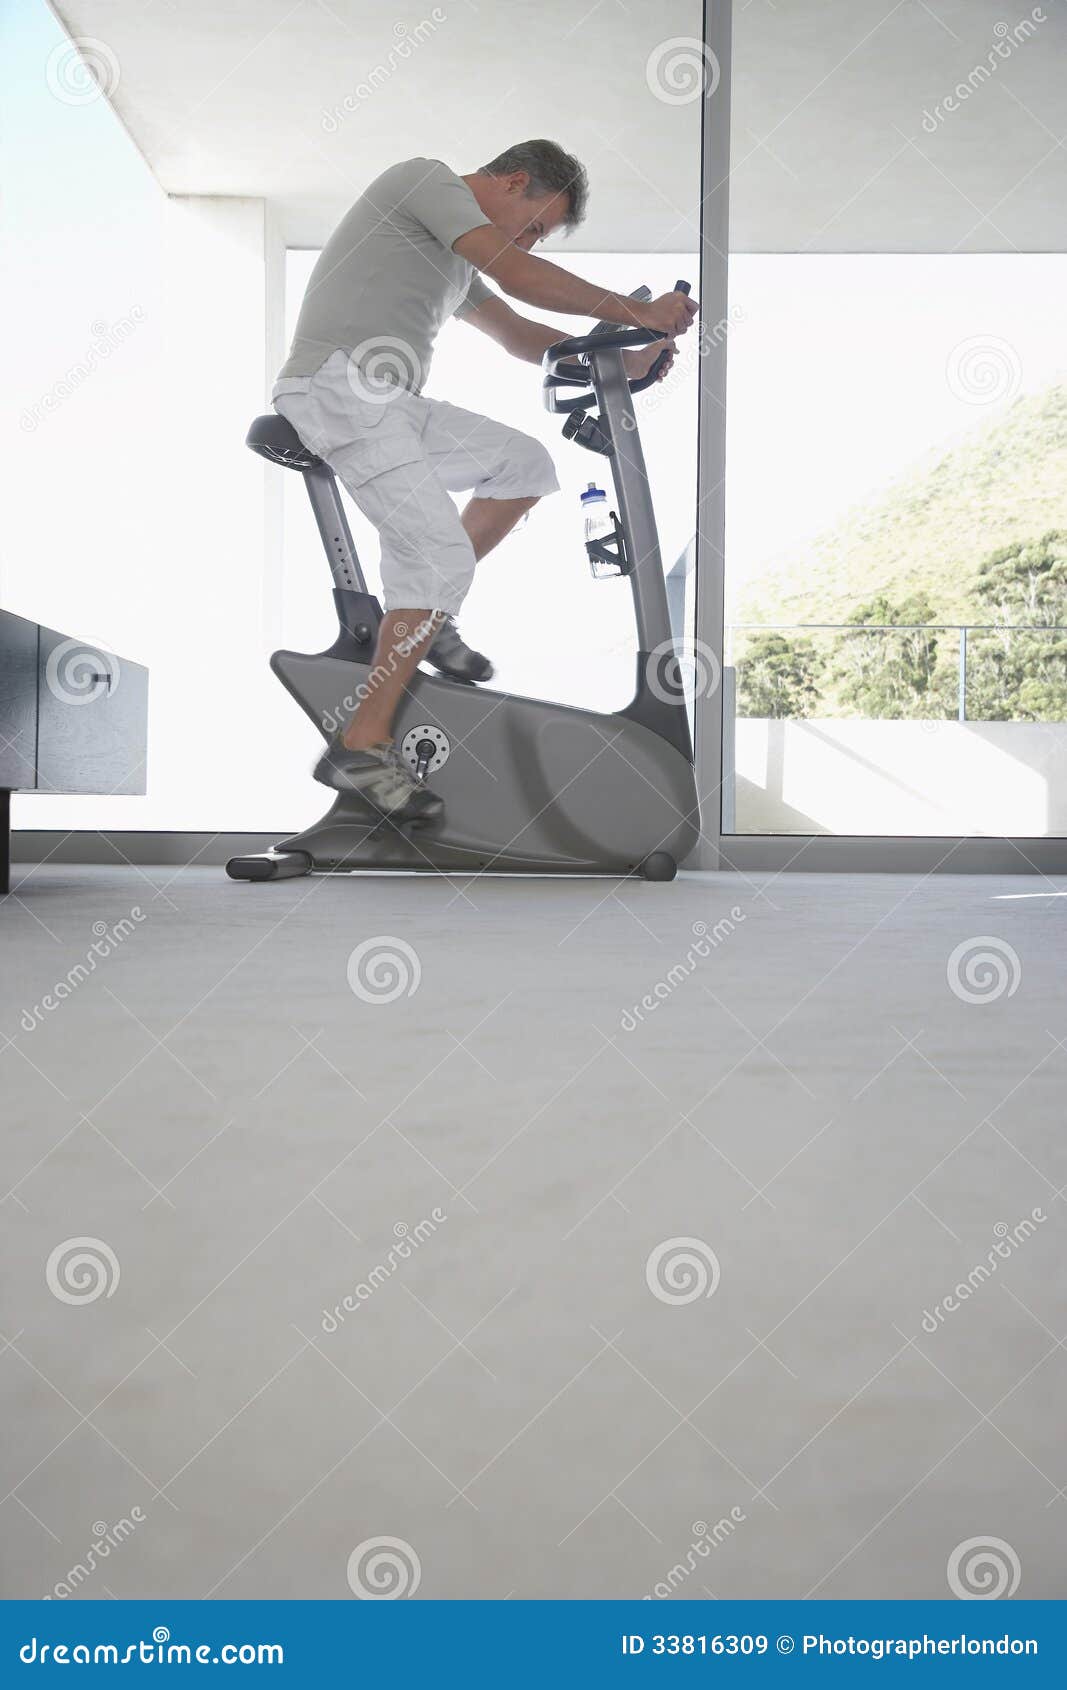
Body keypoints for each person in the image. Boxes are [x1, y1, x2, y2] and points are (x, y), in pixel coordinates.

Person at [273, 140, 697, 828]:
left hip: (390, 402)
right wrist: (632, 311)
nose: (525, 241)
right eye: (531, 225)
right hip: (338, 386)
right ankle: (361, 746)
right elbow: (521, 276)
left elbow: (520, 335)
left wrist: (628, 351)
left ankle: (424, 616)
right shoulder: (421, 180)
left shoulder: (451, 256)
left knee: (524, 464)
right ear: (511, 180)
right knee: (436, 560)